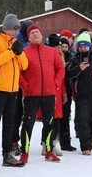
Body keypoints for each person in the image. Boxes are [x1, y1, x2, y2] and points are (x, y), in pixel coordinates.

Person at [0, 14, 28, 168]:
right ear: (6, 28)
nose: (15, 32)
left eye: (17, 29)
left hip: (13, 90)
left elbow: (24, 65)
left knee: (10, 123)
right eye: (13, 29)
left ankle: (7, 154)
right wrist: (11, 52)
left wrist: (20, 52)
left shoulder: (15, 42)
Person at [19, 24, 65, 163]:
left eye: (37, 32)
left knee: (49, 123)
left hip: (49, 94)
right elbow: (19, 72)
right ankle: (25, 153)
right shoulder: (24, 52)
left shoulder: (52, 52)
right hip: (31, 95)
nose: (35, 34)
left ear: (41, 35)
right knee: (28, 123)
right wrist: (26, 86)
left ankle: (49, 151)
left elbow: (60, 69)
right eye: (32, 33)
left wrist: (55, 83)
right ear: (29, 37)